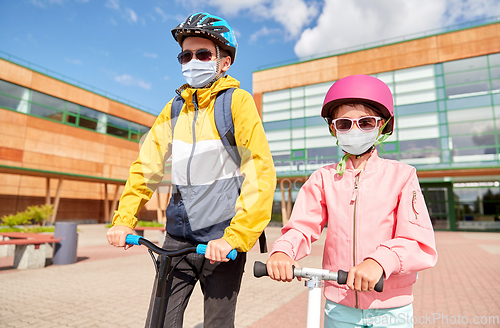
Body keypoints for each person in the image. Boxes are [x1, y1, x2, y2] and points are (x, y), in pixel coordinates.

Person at [106, 12, 276, 328]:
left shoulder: (236, 102)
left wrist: (235, 238)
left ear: (224, 62)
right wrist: (124, 221)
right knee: (158, 322)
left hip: (222, 242)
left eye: (202, 54)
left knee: (217, 323)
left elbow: (260, 171)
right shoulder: (174, 108)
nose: (192, 61)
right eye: (186, 55)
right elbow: (146, 167)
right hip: (177, 241)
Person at [266, 75, 437, 328]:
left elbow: (418, 241)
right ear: (334, 129)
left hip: (391, 309)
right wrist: (283, 251)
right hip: (339, 306)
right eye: (344, 123)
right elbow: (302, 226)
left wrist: (380, 261)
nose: (354, 130)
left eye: (366, 122)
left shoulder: (402, 175)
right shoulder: (322, 179)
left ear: (383, 126)